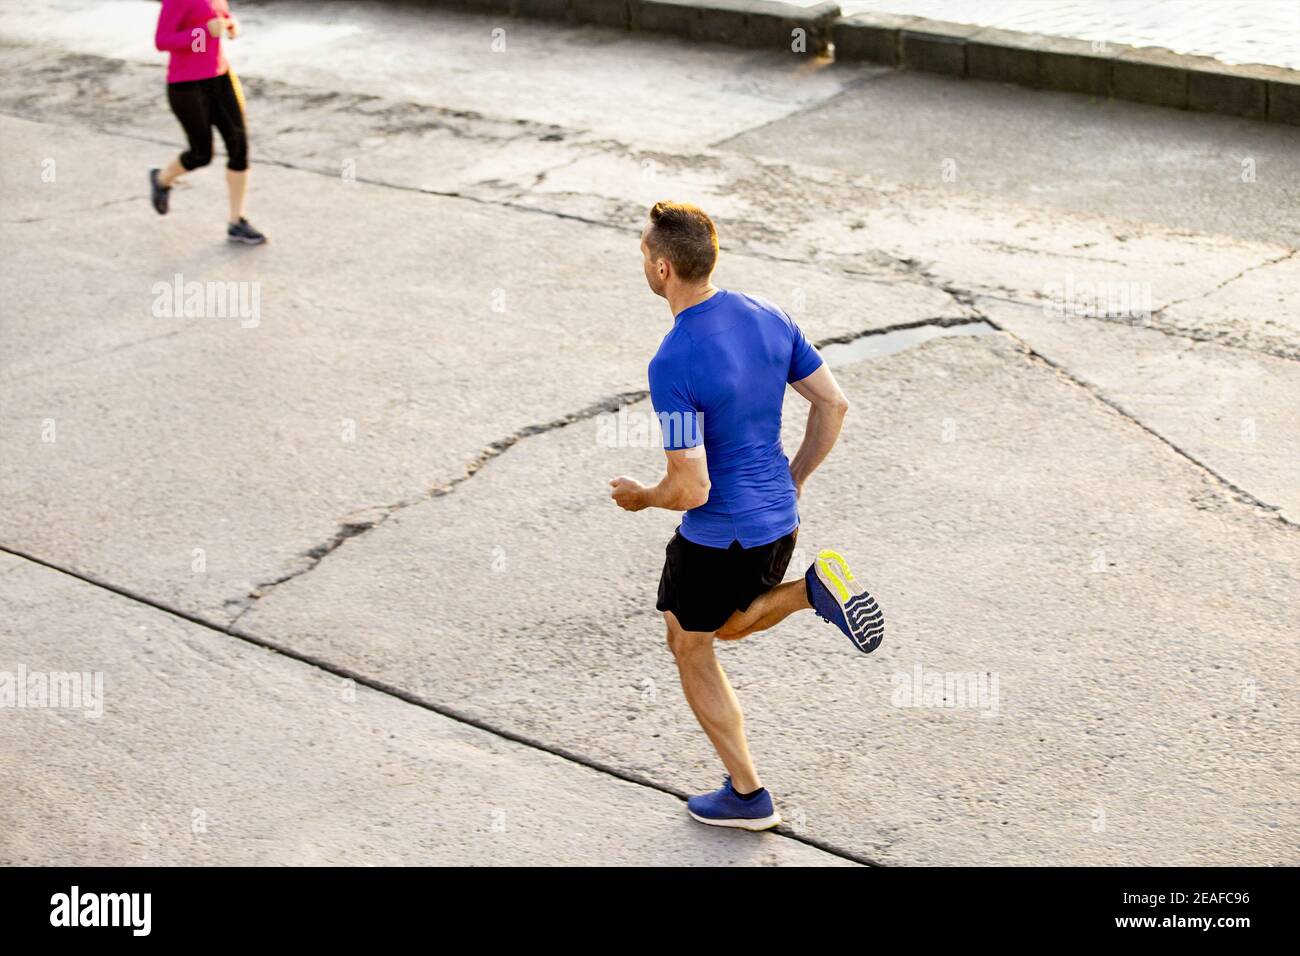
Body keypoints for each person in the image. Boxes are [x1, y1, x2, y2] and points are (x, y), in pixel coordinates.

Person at [609, 201, 884, 831]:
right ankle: (810, 590)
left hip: (718, 535)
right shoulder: (769, 315)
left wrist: (642, 497)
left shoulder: (672, 360)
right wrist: (793, 482)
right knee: (725, 627)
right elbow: (833, 405)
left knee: (692, 641)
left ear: (661, 269)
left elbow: (690, 487)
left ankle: (746, 793)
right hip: (778, 522)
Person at [149, 0, 266, 244]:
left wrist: (232, 26)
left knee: (239, 147)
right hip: (187, 86)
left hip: (221, 79)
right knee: (201, 154)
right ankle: (162, 179)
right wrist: (201, 34)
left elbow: (222, 19)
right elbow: (162, 41)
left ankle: (237, 221)